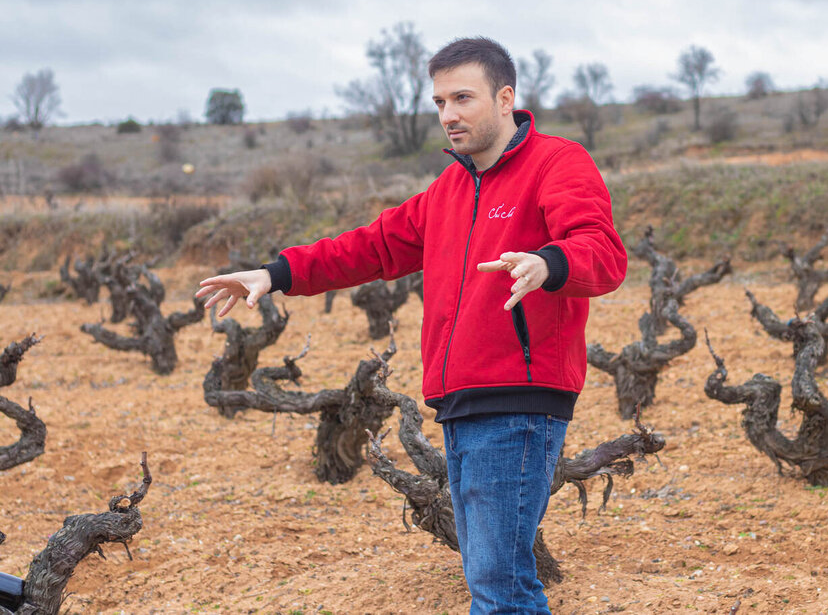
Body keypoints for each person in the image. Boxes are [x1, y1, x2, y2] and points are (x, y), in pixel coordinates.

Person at [196, 37, 627, 614]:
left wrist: (549, 263)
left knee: (499, 589)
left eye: (463, 98)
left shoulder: (556, 162)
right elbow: (367, 248)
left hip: (519, 402)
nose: (448, 114)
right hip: (461, 403)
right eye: (439, 101)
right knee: (499, 582)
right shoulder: (447, 191)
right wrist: (277, 274)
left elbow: (603, 251)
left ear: (505, 99)